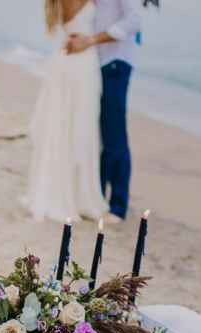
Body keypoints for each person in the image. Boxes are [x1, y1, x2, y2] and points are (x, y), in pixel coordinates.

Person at [27, 1, 108, 223]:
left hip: (65, 59)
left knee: (62, 128)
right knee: (79, 129)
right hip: (81, 61)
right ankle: (77, 197)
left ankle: (68, 192)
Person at [66, 0, 142, 223]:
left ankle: (118, 206)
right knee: (98, 134)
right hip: (97, 63)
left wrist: (91, 40)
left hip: (116, 62)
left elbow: (134, 21)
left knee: (114, 133)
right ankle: (98, 197)